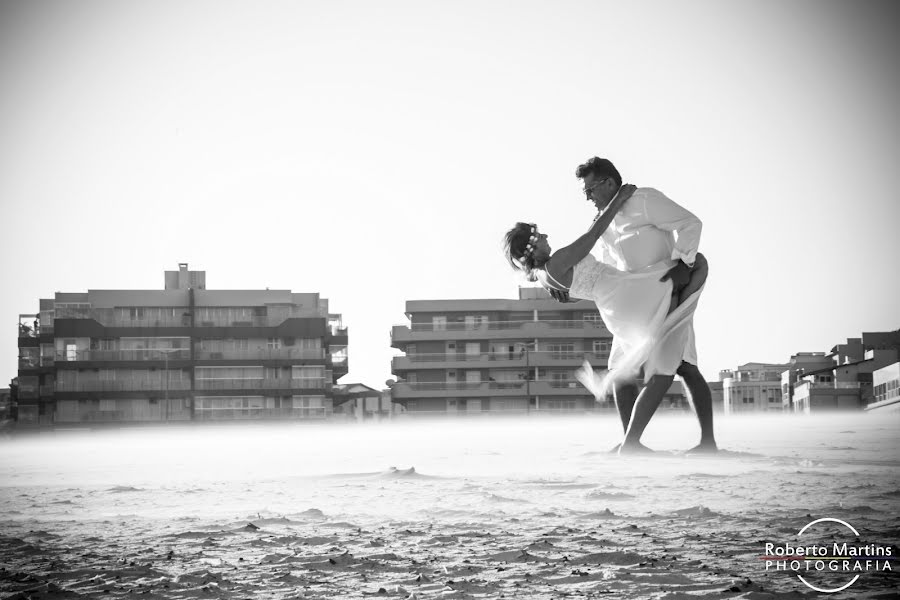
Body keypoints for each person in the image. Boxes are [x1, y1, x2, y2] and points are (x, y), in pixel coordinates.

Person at [503, 185, 709, 454]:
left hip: (612, 305)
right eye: (539, 235)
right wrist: (618, 200)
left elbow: (576, 290)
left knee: (627, 364)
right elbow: (593, 235)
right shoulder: (558, 261)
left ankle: (631, 440)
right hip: (624, 292)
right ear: (532, 246)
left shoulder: (543, 276)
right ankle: (637, 438)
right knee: (697, 265)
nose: (545, 235)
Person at [571, 157, 716, 454]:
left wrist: (684, 262)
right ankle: (631, 442)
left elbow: (691, 223)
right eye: (584, 192)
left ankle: (708, 442)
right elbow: (607, 268)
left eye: (590, 190)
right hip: (633, 306)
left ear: (609, 183)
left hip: (667, 293)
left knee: (685, 366)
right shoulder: (603, 223)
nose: (588, 197)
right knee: (620, 372)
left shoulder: (645, 200)